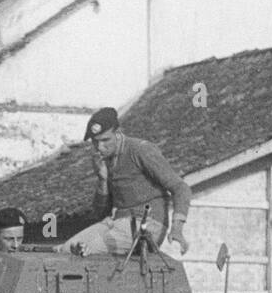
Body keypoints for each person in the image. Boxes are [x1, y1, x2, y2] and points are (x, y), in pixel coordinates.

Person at [68, 106, 192, 256]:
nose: (100, 147)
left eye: (105, 140)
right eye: (95, 142)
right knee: (67, 249)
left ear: (118, 133)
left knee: (87, 250)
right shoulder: (104, 160)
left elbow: (181, 188)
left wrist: (177, 228)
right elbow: (101, 213)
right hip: (117, 222)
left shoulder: (140, 150)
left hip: (148, 225)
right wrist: (102, 179)